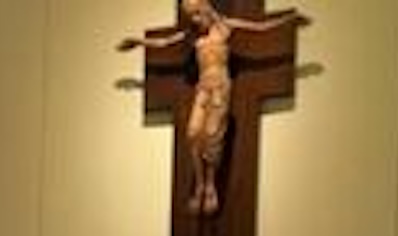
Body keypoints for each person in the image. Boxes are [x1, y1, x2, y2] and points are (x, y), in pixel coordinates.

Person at [117, 0, 306, 216]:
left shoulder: (226, 27)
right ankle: (199, 184)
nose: (196, 21)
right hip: (202, 87)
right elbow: (164, 42)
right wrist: (137, 42)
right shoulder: (194, 35)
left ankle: (210, 185)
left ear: (206, 8)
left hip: (220, 87)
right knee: (192, 133)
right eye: (192, 17)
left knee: (211, 135)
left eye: (197, 14)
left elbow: (261, 28)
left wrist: (289, 21)